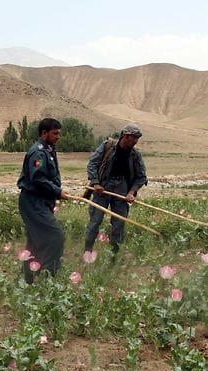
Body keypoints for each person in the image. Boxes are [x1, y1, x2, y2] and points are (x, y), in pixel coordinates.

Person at [83, 123, 148, 258]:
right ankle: (87, 252)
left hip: (122, 189)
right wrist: (95, 183)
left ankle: (114, 256)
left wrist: (131, 192)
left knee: (119, 224)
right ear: (125, 136)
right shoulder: (108, 146)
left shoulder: (135, 154)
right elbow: (92, 164)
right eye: (134, 138)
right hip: (103, 187)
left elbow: (141, 177)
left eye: (137, 138)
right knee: (95, 221)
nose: (136, 141)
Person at [17, 117, 69, 283]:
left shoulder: (48, 150)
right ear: (44, 133)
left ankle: (29, 280)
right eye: (55, 133)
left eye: (59, 133)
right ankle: (47, 277)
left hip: (40, 201)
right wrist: (57, 191)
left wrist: (55, 192)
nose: (58, 137)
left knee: (35, 241)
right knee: (55, 237)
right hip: (33, 201)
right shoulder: (38, 152)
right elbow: (38, 177)